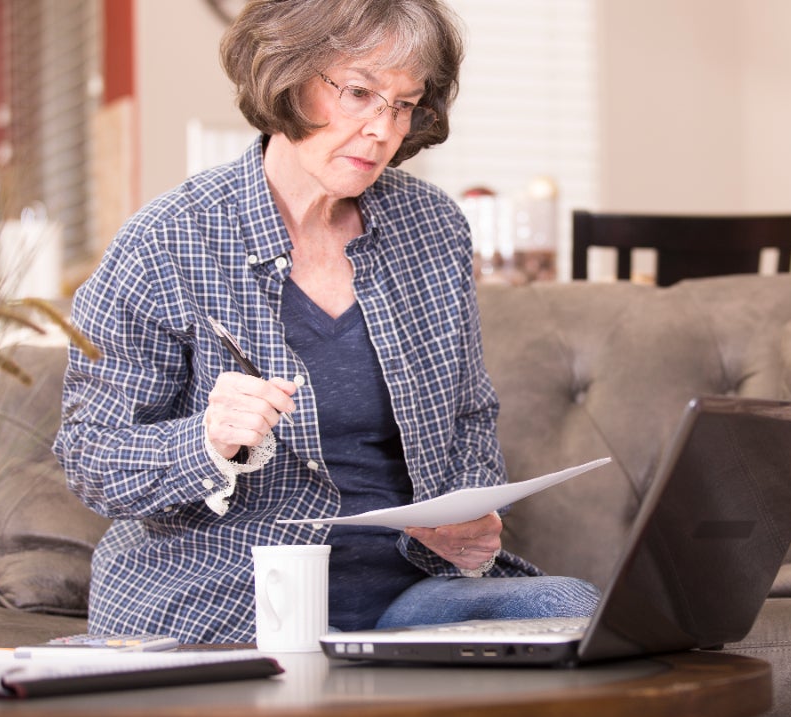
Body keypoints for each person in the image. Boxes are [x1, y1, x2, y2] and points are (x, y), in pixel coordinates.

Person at [53, 0, 599, 644]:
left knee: (578, 606)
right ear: (288, 77)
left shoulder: (432, 227)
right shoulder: (169, 239)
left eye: (403, 104)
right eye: (360, 93)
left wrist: (471, 514)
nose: (381, 129)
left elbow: (468, 416)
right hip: (223, 593)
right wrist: (204, 441)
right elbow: (91, 453)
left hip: (404, 592)